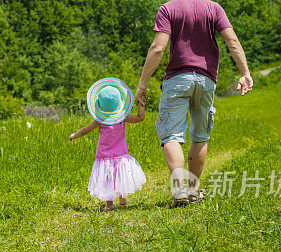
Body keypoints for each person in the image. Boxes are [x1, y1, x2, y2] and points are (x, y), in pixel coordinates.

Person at [134, 0, 253, 208]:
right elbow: (232, 40)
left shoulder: (168, 8)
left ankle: (180, 191)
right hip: (206, 80)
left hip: (177, 80)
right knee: (200, 136)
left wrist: (142, 84)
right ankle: (192, 190)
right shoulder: (214, 8)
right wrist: (245, 73)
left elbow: (158, 48)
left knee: (172, 136)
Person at [70, 78, 147, 211]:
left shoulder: (100, 120)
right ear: (119, 103)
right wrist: (141, 105)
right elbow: (140, 118)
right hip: (120, 153)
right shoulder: (123, 117)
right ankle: (122, 198)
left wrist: (74, 135)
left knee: (107, 179)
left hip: (104, 155)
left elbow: (85, 130)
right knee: (121, 175)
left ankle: (109, 205)